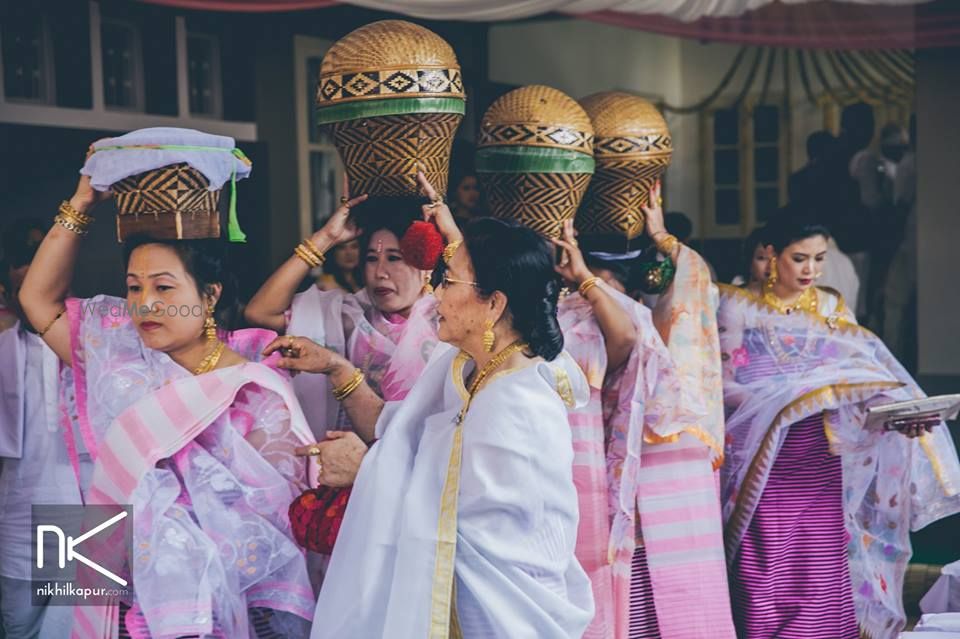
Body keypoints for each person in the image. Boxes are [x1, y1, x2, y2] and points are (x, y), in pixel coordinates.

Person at [272, 179, 595, 638]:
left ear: (494, 304)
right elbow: (397, 427)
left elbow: (471, 535)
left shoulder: (517, 401)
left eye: (449, 282)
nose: (436, 296)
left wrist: (367, 469)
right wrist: (337, 369)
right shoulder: (463, 368)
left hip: (497, 617)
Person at [18, 165, 318, 638]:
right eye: (134, 287)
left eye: (164, 288)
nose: (145, 304)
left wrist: (180, 537)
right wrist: (80, 205)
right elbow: (35, 301)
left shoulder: (253, 377)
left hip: (214, 594)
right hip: (105, 547)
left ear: (210, 294)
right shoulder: (113, 344)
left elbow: (276, 508)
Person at [717, 215, 960, 639]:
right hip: (768, 447)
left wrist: (895, 409)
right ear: (771, 255)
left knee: (819, 550)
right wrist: (788, 396)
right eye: (799, 258)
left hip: (822, 446)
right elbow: (723, 384)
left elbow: (859, 369)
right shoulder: (736, 304)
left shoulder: (830, 305)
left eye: (819, 258)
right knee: (769, 548)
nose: (810, 269)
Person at [244, 191, 439, 446]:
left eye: (394, 258)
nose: (380, 272)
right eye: (371, 259)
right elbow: (259, 312)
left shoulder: (447, 323)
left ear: (426, 267)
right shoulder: (347, 316)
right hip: (349, 472)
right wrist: (326, 238)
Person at [0, 222, 80, 639]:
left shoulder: (98, 339)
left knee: (88, 627)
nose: (34, 269)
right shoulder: (4, 347)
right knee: (20, 628)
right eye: (22, 261)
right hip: (19, 514)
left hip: (94, 509)